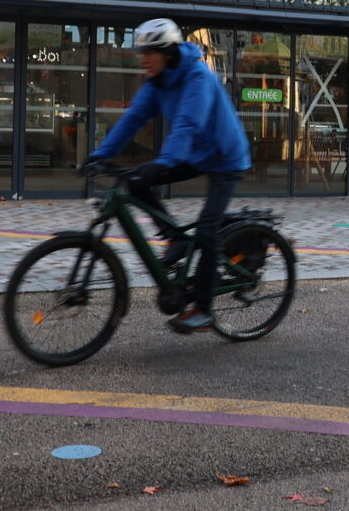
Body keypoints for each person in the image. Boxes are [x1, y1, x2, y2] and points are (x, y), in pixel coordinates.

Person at [88, 19, 250, 333]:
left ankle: (203, 310)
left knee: (207, 230)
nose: (143, 59)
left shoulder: (198, 77)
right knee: (134, 182)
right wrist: (101, 153)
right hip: (194, 154)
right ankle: (175, 237)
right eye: (141, 53)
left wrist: (165, 161)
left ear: (168, 53)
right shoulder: (158, 82)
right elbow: (133, 118)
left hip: (224, 157)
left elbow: (189, 124)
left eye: (149, 52)